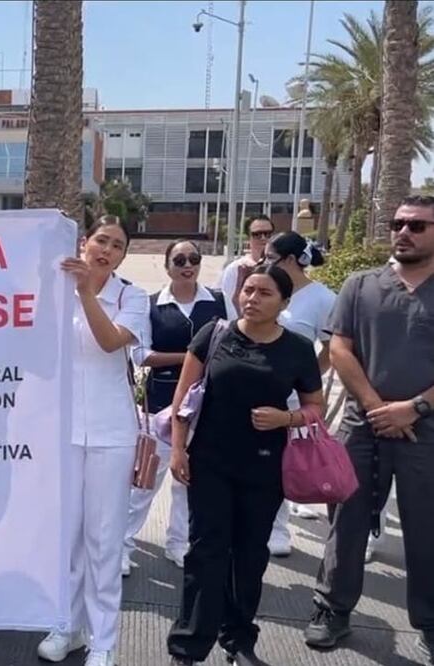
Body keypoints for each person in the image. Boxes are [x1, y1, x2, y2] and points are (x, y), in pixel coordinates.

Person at [167, 264, 325, 666]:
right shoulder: (214, 334)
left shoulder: (297, 349)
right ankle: (188, 646)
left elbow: (315, 408)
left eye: (264, 293)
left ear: (284, 303)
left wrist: (285, 418)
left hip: (265, 468)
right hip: (210, 462)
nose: (252, 299)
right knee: (206, 552)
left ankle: (238, 640)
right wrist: (178, 450)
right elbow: (184, 399)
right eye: (248, 290)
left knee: (250, 555)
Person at [304, 195, 434, 662]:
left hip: (427, 432)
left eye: (417, 226)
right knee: (347, 519)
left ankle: (430, 623)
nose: (404, 232)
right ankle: (332, 610)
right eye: (398, 223)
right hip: (363, 427)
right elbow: (340, 349)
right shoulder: (360, 285)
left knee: (427, 528)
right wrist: (379, 407)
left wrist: (414, 408)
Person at [38, 216, 149, 666]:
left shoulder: (132, 297)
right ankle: (67, 625)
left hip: (111, 432)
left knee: (103, 540)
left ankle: (102, 640)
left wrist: (86, 293)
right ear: (84, 242)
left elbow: (108, 342)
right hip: (61, 430)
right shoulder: (52, 289)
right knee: (66, 536)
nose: (107, 250)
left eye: (117, 245)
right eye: (102, 240)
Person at [123, 239, 232, 575]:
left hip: (208, 405)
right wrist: (192, 358)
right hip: (161, 404)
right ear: (167, 265)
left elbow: (234, 341)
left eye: (194, 259)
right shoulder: (152, 305)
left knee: (188, 481)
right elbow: (141, 354)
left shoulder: (218, 301)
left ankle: (178, 544)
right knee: (145, 481)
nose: (188, 266)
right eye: (180, 259)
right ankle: (121, 545)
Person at [260, 231, 336, 556]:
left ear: (290, 260)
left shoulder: (323, 299)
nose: (264, 263)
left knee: (281, 462)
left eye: (270, 257)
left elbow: (332, 349)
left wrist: (305, 381)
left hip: (289, 400)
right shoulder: (266, 285)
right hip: (252, 389)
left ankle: (278, 529)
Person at [218, 215, 275, 315]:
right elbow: (224, 302)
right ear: (249, 238)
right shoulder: (235, 268)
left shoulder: (280, 266)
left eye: (268, 234)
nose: (263, 238)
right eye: (257, 234)